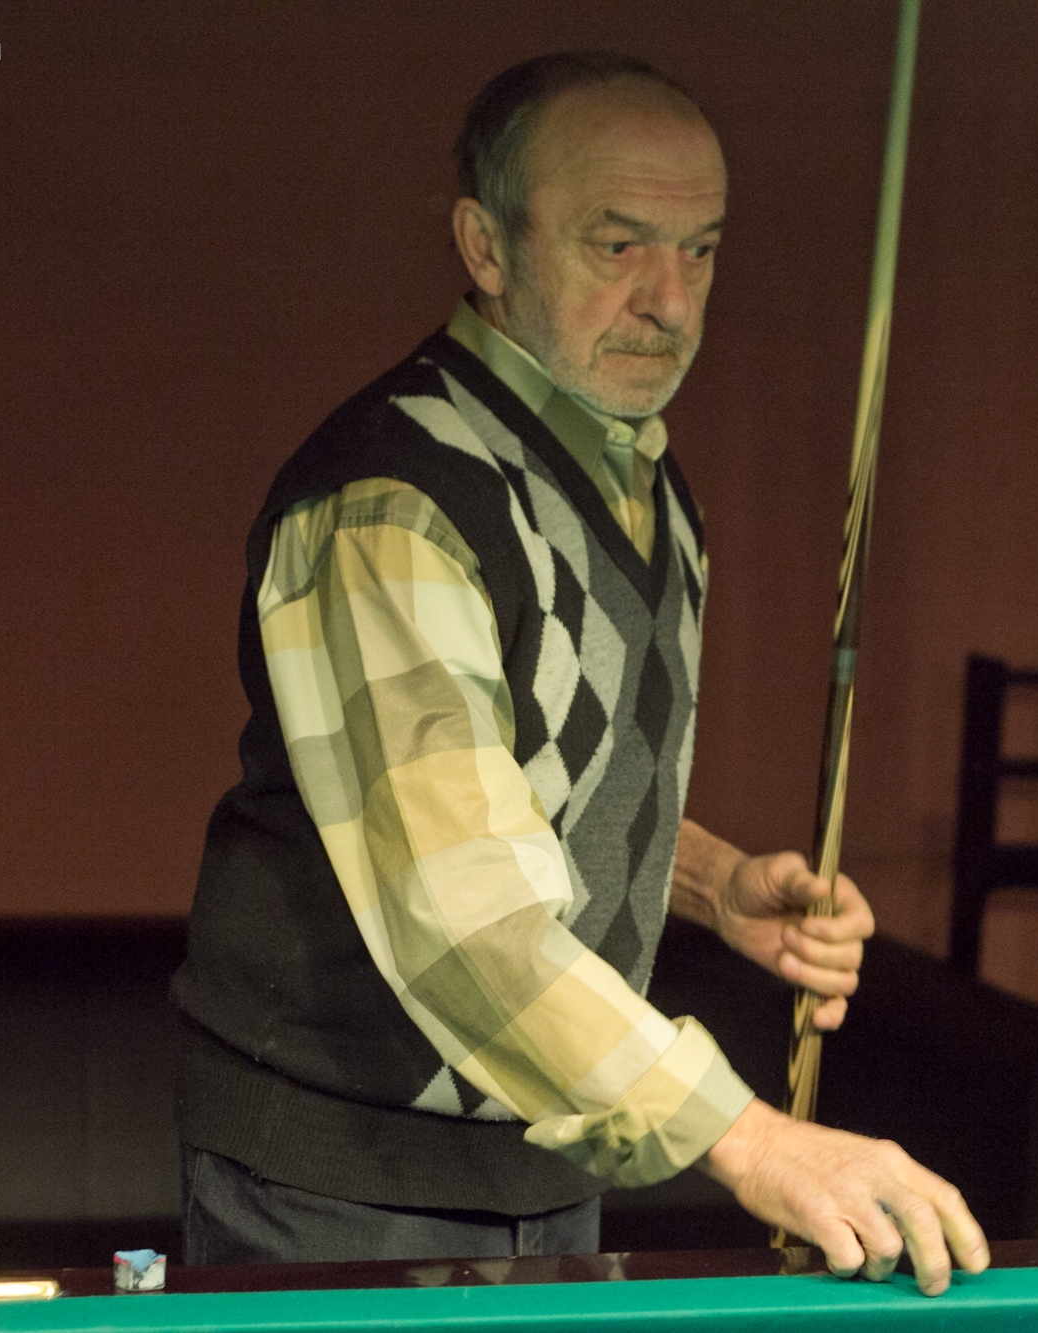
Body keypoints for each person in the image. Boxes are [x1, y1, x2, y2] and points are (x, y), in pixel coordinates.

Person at [170, 50, 988, 1296]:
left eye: (699, 251)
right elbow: (464, 915)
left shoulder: (637, 477)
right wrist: (753, 1141)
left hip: (553, 1158)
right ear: (485, 246)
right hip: (343, 1187)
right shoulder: (394, 502)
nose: (669, 300)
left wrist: (710, 885)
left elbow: (522, 779)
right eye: (617, 246)